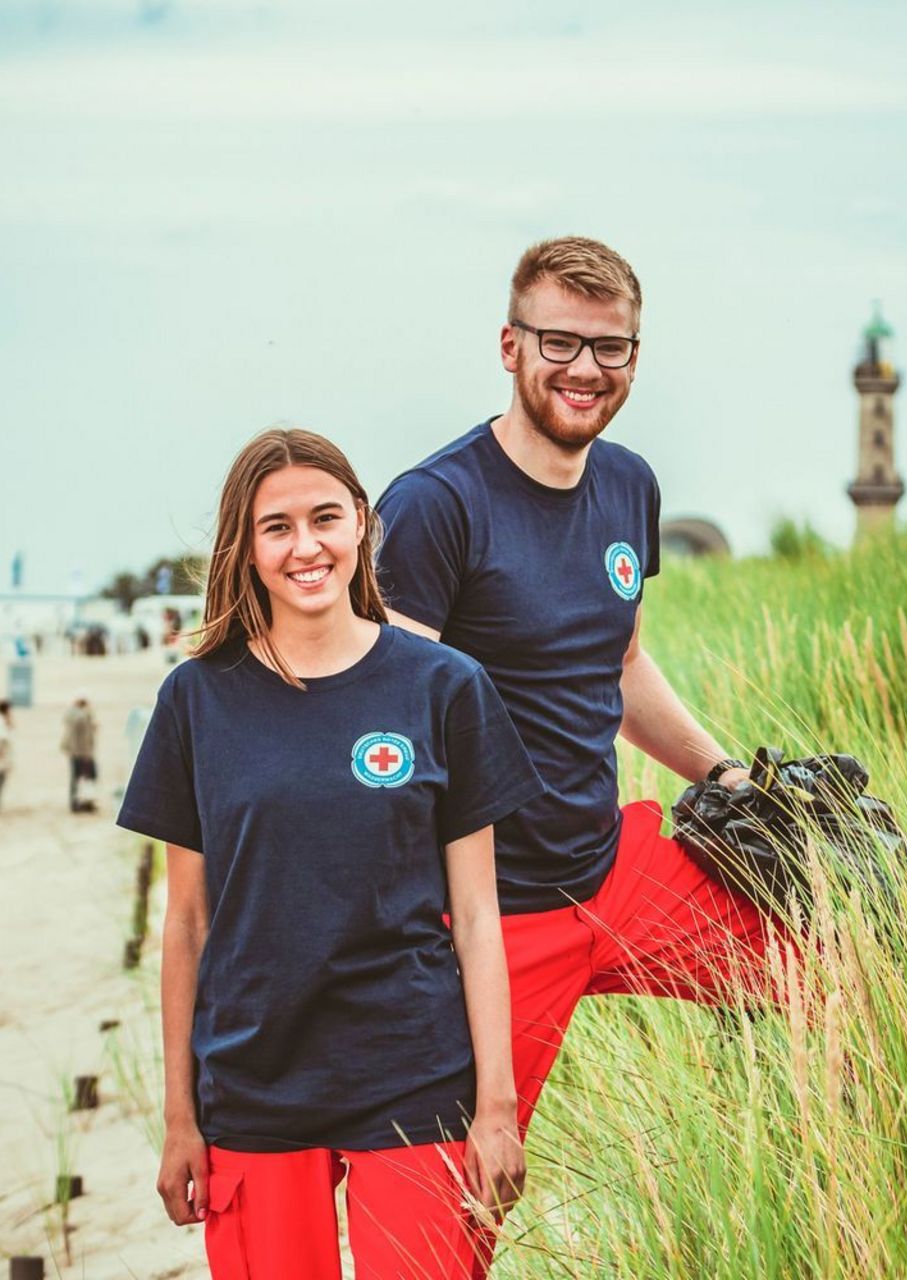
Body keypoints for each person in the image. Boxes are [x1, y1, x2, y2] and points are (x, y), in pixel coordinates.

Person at [374, 236, 785, 1197]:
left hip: (613, 870)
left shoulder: (629, 484)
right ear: (509, 346)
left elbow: (623, 661)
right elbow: (382, 733)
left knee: (841, 967)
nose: (586, 370)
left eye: (612, 348)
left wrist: (727, 777)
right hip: (488, 921)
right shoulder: (437, 505)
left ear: (635, 358)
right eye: (560, 343)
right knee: (454, 1217)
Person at [118, 428, 541, 1280]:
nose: (306, 546)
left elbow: (480, 920)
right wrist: (179, 1118)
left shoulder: (444, 685)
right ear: (244, 546)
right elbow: (188, 926)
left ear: (362, 527)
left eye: (325, 518)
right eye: (277, 527)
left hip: (412, 1077)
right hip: (253, 1083)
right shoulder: (196, 699)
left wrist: (496, 1106)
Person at [61, 694, 98, 813]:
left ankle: (76, 803)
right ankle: (85, 802)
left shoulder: (70, 715)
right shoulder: (83, 716)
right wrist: (88, 753)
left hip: (74, 751)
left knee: (76, 779)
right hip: (83, 752)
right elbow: (86, 737)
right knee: (89, 778)